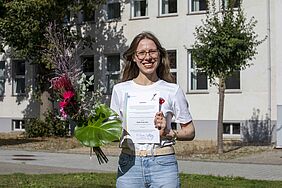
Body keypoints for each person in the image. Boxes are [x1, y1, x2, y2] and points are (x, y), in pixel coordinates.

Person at [110, 31, 195, 188]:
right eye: (141, 52)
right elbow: (112, 132)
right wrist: (97, 133)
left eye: (152, 51)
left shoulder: (173, 90)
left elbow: (190, 131)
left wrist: (169, 132)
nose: (147, 57)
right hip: (130, 164)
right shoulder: (120, 90)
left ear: (159, 55)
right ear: (134, 57)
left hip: (163, 164)